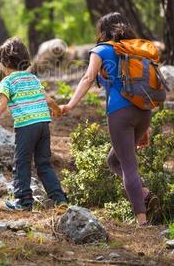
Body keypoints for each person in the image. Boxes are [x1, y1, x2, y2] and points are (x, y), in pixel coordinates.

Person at [60, 12, 153, 226]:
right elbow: (143, 84)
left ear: (103, 31)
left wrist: (70, 104)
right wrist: (145, 128)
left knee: (128, 165)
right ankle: (143, 192)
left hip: (120, 114)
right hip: (144, 112)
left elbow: (87, 78)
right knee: (114, 160)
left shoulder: (101, 50)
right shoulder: (136, 50)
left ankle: (142, 221)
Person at [0, 37, 68, 211]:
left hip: (26, 126)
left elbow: (1, 105)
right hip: (43, 124)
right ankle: (59, 199)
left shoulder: (8, 82)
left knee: (22, 163)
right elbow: (47, 98)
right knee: (44, 164)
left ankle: (23, 201)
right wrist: (56, 109)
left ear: (5, 63)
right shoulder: (32, 78)